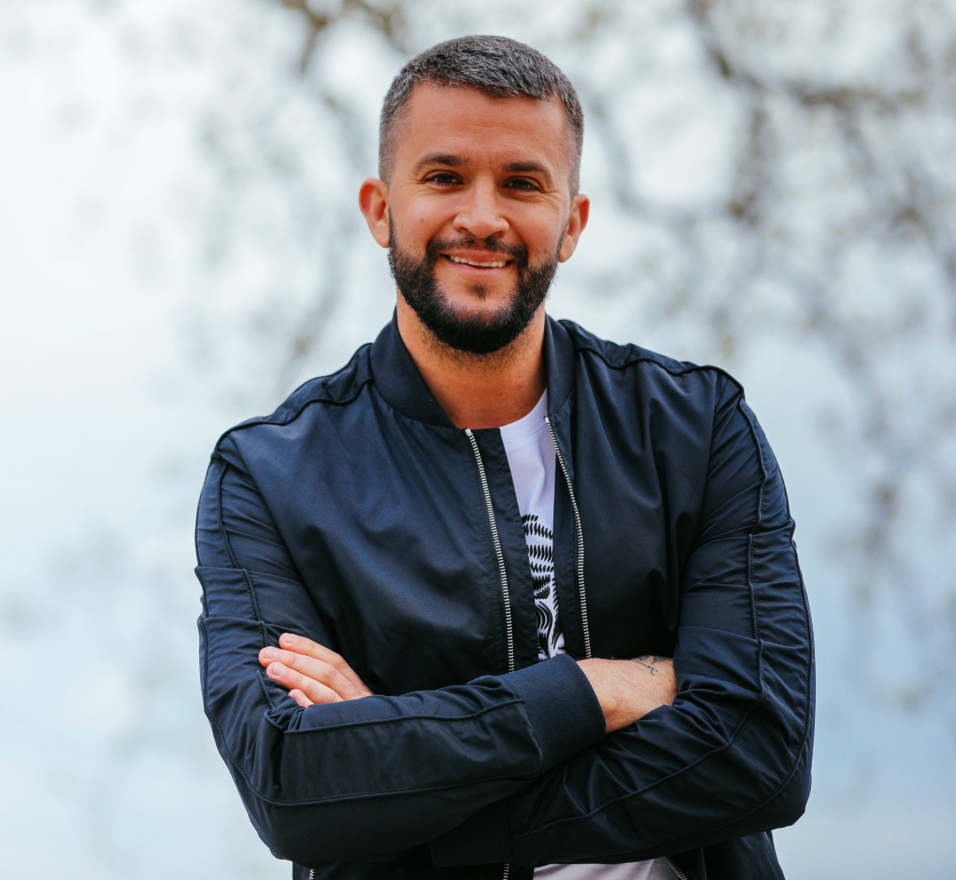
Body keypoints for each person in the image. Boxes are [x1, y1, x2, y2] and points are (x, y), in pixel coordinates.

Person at [195, 35, 814, 880]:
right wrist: (598, 689)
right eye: (444, 177)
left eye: (522, 183)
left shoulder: (695, 432)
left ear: (572, 223)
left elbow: (760, 752)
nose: (482, 218)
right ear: (380, 209)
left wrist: (401, 785)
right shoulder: (274, 477)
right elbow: (291, 782)